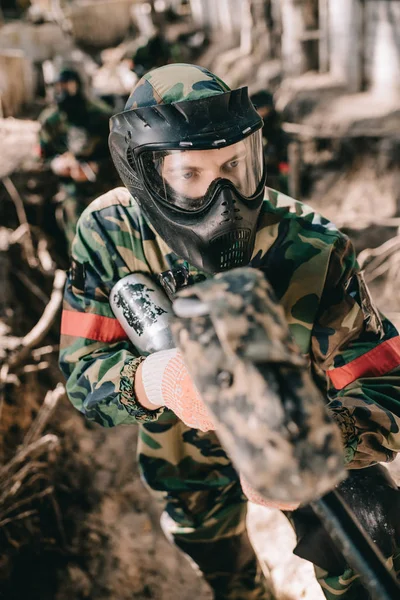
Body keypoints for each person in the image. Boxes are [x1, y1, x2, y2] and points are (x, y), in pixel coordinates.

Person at [59, 64, 400, 600]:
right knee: (220, 562)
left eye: (234, 167)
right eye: (190, 174)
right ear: (144, 173)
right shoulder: (109, 233)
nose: (224, 197)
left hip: (303, 430)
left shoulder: (312, 247)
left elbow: (386, 381)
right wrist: (159, 378)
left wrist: (314, 445)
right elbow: (81, 377)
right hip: (183, 450)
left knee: (373, 538)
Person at [38, 67, 114, 250]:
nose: (63, 91)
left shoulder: (101, 115)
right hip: (71, 191)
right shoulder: (50, 120)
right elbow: (40, 161)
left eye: (68, 86)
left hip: (104, 187)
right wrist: (57, 165)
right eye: (59, 86)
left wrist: (96, 168)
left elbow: (124, 157)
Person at [250, 90, 290, 193]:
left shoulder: (274, 123)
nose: (260, 112)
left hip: (276, 169)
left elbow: (281, 144)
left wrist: (283, 164)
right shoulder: (252, 124)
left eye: (262, 109)